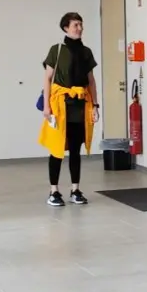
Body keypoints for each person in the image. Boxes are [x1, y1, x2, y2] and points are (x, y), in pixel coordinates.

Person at [40, 12, 99, 207]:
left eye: (81, 25)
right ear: (66, 27)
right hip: (59, 106)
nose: (79, 28)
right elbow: (47, 78)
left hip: (80, 106)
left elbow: (91, 81)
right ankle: (54, 190)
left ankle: (75, 189)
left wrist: (95, 106)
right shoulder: (57, 50)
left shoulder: (86, 52)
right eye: (75, 25)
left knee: (76, 149)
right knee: (56, 149)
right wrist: (47, 106)